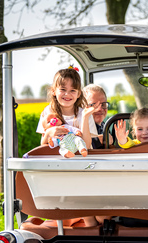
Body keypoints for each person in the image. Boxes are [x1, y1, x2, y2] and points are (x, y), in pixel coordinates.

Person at [36, 66, 109, 227]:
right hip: (59, 166)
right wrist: (51, 132)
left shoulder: (83, 113)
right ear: (54, 91)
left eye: (72, 90)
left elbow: (87, 146)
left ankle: (92, 232)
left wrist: (85, 117)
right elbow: (43, 146)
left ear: (78, 94)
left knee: (88, 207)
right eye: (63, 89)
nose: (67, 94)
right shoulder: (48, 112)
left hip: (81, 166)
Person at [83, 84, 110, 149]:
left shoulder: (106, 126)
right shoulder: (80, 127)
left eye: (103, 104)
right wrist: (98, 141)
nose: (100, 109)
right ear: (83, 107)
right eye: (94, 105)